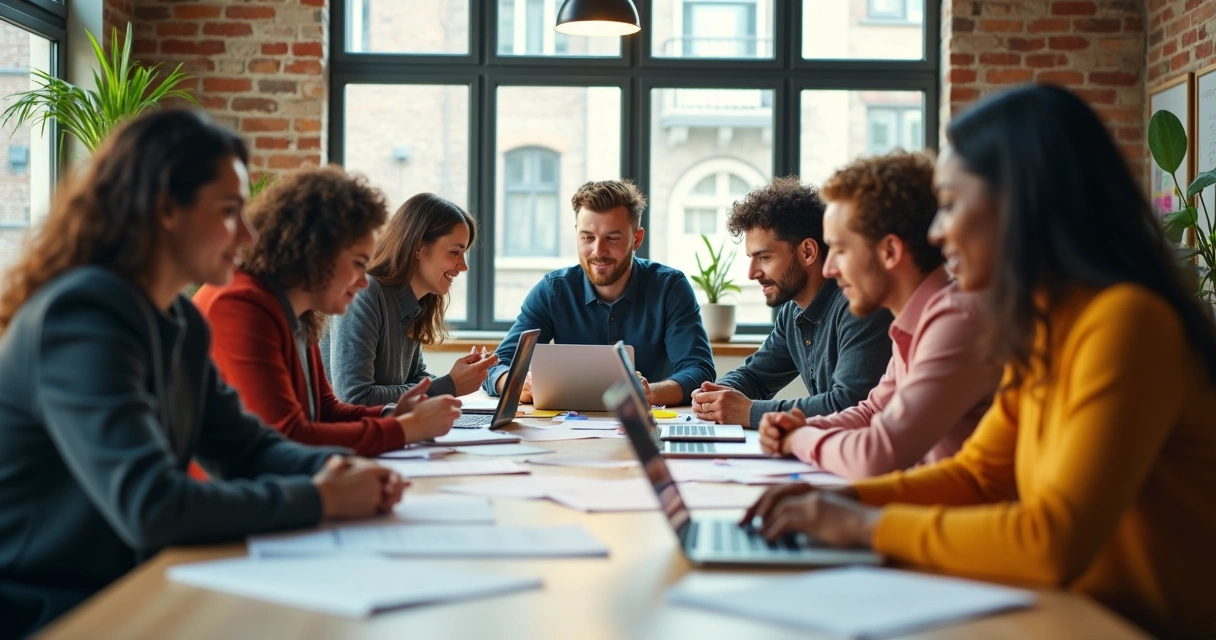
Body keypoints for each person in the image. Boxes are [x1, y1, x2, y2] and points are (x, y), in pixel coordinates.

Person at [744, 84, 1216, 639]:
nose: (938, 233)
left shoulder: (1126, 322)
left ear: (1018, 201)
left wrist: (864, 524)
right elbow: (978, 476)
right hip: (1064, 613)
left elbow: (1051, 539)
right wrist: (834, 500)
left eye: (950, 204)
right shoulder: (1041, 328)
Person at [0, 110, 405, 638]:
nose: (248, 233)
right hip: (52, 611)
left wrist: (340, 469)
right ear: (166, 208)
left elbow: (248, 448)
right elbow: (152, 505)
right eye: (229, 211)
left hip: (134, 585)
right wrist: (322, 496)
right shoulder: (82, 315)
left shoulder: (180, 319)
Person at [755, 152, 999, 478]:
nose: (829, 269)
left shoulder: (957, 322)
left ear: (890, 252)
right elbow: (873, 410)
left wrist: (799, 439)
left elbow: (877, 454)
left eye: (840, 250)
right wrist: (800, 425)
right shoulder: (915, 322)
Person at [195, 167, 461, 458]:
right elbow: (287, 435)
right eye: (359, 263)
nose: (363, 281)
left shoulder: (300, 313)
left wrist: (394, 414)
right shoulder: (241, 304)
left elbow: (325, 410)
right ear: (318, 253)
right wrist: (405, 428)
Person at [483, 179, 715, 406]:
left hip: (648, 426)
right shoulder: (553, 290)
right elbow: (498, 364)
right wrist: (514, 384)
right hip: (566, 428)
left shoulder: (669, 287)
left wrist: (649, 393)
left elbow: (699, 370)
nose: (598, 251)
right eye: (587, 237)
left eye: (612, 238)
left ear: (637, 239)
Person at [691, 177, 892, 428]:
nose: (752, 273)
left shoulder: (859, 307)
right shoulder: (793, 311)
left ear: (807, 252)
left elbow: (849, 404)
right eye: (751, 258)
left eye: (764, 257)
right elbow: (757, 377)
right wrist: (717, 393)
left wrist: (750, 412)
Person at [322, 193, 497, 404]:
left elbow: (414, 378)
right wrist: (449, 385)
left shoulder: (413, 303)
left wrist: (460, 377)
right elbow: (354, 397)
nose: (463, 266)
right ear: (417, 248)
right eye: (454, 252)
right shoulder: (364, 294)